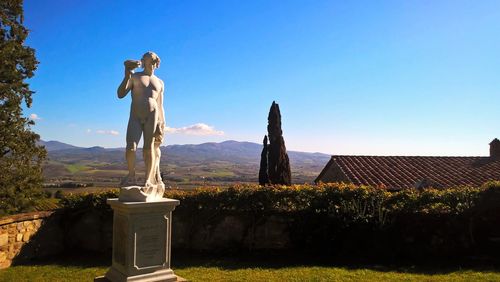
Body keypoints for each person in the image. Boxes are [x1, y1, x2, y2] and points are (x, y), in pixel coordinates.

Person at [117, 51, 165, 194]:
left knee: (148, 148)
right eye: (147, 61)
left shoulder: (160, 82)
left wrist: (162, 123)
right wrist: (127, 75)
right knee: (131, 147)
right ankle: (131, 175)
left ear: (156, 63)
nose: (150, 64)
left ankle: (147, 179)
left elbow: (160, 105)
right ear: (143, 62)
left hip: (153, 115)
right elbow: (120, 94)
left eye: (152, 61)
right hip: (135, 116)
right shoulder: (136, 77)